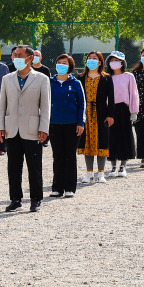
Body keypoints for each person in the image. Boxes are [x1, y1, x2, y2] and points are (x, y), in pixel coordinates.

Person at [0, 45, 51, 212]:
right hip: (12, 128)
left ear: (30, 58)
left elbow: (45, 106)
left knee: (34, 165)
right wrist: (0, 127)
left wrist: (44, 128)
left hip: (32, 129)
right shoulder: (7, 79)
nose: (16, 58)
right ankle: (15, 199)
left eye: (20, 55)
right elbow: (2, 106)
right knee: (13, 166)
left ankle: (36, 199)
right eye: (15, 55)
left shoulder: (42, 79)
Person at [47, 54, 84, 197]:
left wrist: (81, 122)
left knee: (70, 156)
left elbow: (82, 104)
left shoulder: (75, 83)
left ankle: (70, 188)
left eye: (65, 63)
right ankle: (57, 187)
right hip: (54, 124)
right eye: (59, 62)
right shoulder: (49, 82)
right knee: (58, 156)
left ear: (70, 66)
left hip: (72, 124)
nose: (61, 65)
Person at [77, 51, 112, 183]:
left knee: (102, 142)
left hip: (101, 114)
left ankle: (101, 173)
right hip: (86, 114)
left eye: (94, 58)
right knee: (87, 142)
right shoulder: (80, 77)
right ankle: (89, 173)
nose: (91, 60)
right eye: (89, 58)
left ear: (100, 62)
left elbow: (111, 98)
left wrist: (110, 115)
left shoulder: (106, 78)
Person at [104, 51, 139, 177]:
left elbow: (134, 94)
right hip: (110, 110)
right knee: (111, 137)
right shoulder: (107, 77)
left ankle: (123, 166)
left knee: (125, 136)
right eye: (112, 60)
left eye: (117, 60)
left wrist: (134, 111)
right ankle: (113, 166)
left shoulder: (129, 76)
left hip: (124, 109)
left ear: (122, 62)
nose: (114, 62)